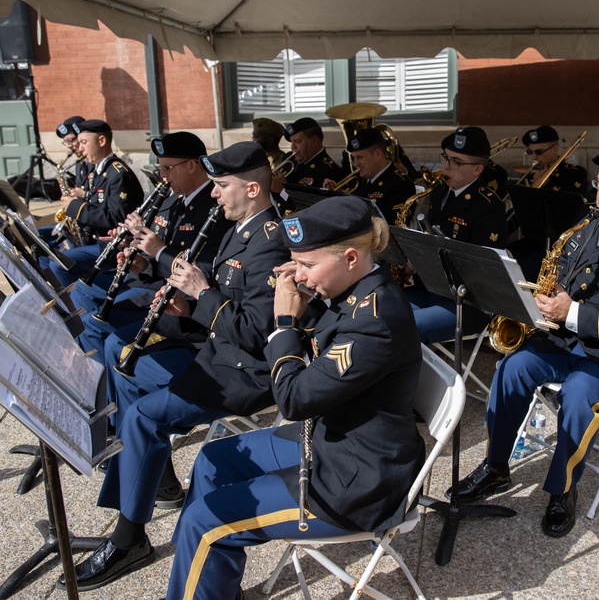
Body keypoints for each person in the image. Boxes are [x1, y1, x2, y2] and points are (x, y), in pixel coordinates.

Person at [165, 195, 425, 600]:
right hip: (331, 439)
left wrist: (284, 322)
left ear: (351, 258)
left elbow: (293, 401)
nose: (297, 275)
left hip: (355, 481)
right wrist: (308, 301)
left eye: (306, 264)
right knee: (214, 458)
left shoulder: (375, 319)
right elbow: (327, 340)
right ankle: (204, 584)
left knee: (205, 521)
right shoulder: (355, 291)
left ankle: (200, 569)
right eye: (295, 262)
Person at [57, 142, 290, 592]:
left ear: (252, 188)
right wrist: (185, 305)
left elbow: (254, 334)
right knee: (127, 368)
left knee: (143, 417)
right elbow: (223, 302)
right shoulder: (239, 227)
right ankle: (155, 479)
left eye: (221, 185)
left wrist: (201, 294)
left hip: (245, 373)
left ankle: (128, 538)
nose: (214, 193)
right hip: (215, 354)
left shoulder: (272, 242)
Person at [452, 144, 599, 538]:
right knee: (511, 367)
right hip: (564, 342)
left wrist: (571, 312)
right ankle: (495, 467)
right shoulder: (589, 224)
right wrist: (541, 301)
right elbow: (562, 275)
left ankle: (563, 489)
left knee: (577, 395)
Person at [74, 131, 233, 358]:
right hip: (158, 291)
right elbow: (159, 256)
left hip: (183, 305)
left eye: (168, 168)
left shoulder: (215, 208)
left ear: (191, 166)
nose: (163, 176)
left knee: (103, 334)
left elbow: (203, 269)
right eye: (161, 168)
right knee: (88, 316)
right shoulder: (172, 200)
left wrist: (159, 251)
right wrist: (143, 264)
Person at [406, 126, 508, 343]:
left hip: (467, 302)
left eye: (456, 162)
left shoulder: (489, 206)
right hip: (431, 288)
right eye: (446, 157)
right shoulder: (440, 191)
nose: (446, 166)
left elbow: (484, 270)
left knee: (408, 326)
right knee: (380, 310)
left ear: (477, 170)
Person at [45, 119, 144, 288]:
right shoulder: (98, 171)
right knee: (47, 251)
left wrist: (75, 206)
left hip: (112, 246)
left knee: (59, 264)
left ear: (102, 141)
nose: (80, 148)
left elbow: (116, 219)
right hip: (97, 240)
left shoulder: (117, 174)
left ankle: (77, 297)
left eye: (84, 142)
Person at [323, 126, 415, 221]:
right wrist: (337, 195)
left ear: (378, 154)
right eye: (354, 158)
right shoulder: (359, 179)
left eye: (360, 157)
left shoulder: (401, 184)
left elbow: (390, 224)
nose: (355, 163)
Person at [518, 125, 589, 194]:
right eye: (530, 152)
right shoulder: (530, 173)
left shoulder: (575, 173)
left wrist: (546, 182)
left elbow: (572, 200)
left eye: (539, 152)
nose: (534, 157)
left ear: (554, 149)